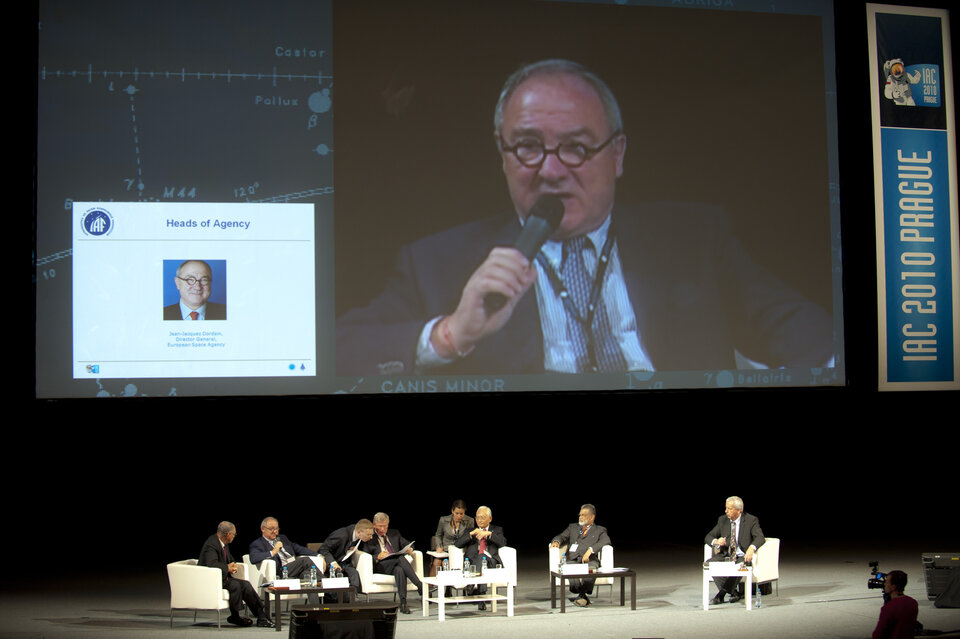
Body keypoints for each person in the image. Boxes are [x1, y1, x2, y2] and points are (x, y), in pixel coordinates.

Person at [336, 58, 833, 375]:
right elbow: (337, 351)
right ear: (502, 155)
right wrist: (449, 333)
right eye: (528, 147)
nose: (550, 170)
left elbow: (802, 332)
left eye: (575, 148)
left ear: (617, 155)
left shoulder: (694, 237)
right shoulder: (437, 261)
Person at [197, 521, 274, 628]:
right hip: (211, 579)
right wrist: (227, 568)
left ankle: (262, 617)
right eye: (234, 534)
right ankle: (235, 616)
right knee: (235, 585)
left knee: (246, 585)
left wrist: (233, 565)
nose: (234, 536)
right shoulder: (212, 544)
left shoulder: (224, 543)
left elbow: (229, 559)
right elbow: (211, 564)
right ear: (228, 534)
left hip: (222, 577)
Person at [704, 496, 765, 605]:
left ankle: (721, 594)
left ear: (738, 510)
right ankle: (734, 592)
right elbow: (708, 537)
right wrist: (716, 541)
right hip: (727, 554)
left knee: (740, 565)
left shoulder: (751, 520)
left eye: (729, 509)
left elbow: (760, 537)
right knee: (710, 564)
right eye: (726, 508)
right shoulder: (723, 520)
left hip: (743, 556)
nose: (726, 511)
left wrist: (751, 548)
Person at [550, 503, 611, 607]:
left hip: (589, 560)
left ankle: (582, 595)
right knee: (568, 568)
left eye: (584, 515)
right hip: (572, 559)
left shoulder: (600, 530)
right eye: (580, 515)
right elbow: (562, 536)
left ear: (592, 517)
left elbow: (606, 541)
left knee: (592, 570)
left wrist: (590, 550)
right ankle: (580, 593)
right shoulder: (572, 527)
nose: (580, 517)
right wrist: (556, 541)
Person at [361, 513, 422, 614]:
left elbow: (408, 544)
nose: (383, 529)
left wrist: (410, 549)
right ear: (374, 525)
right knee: (400, 558)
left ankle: (403, 603)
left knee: (399, 570)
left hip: (396, 564)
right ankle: (419, 585)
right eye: (380, 526)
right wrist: (377, 557)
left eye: (385, 526)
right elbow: (364, 555)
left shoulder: (394, 533)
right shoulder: (369, 537)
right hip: (381, 566)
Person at [455, 505, 506, 610]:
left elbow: (502, 543)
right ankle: (481, 599)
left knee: (482, 556)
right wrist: (470, 534)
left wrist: (489, 534)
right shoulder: (471, 530)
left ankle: (471, 583)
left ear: (490, 518)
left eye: (482, 517)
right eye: (477, 518)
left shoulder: (496, 530)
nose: (479, 520)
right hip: (472, 564)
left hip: (491, 562)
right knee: (482, 562)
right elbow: (457, 544)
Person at [248, 516, 321, 580]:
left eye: (277, 529)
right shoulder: (258, 544)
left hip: (295, 567)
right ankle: (328, 585)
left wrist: (318, 555)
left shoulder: (282, 538)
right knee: (305, 560)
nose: (275, 532)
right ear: (263, 529)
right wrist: (273, 552)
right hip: (282, 571)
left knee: (308, 576)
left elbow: (298, 548)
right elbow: (253, 558)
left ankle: (326, 592)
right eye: (271, 529)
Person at [319, 519, 375, 601]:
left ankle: (353, 597)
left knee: (354, 573)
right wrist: (333, 563)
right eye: (369, 535)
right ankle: (340, 600)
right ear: (359, 532)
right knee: (338, 573)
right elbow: (323, 549)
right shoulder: (341, 535)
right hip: (331, 561)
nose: (371, 537)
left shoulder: (358, 535)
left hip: (344, 562)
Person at [431, 499, 476, 577]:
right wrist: (439, 546)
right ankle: (430, 586)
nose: (459, 516)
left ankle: (448, 587)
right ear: (452, 511)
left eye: (461, 514)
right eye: (457, 513)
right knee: (436, 562)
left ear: (465, 512)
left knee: (447, 563)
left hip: (460, 551)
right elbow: (438, 535)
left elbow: (470, 538)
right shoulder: (443, 520)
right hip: (445, 550)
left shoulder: (470, 521)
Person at [872, 570, 919, 639]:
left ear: (893, 587)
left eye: (887, 582)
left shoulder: (888, 607)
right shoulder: (913, 603)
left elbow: (878, 635)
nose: (884, 584)